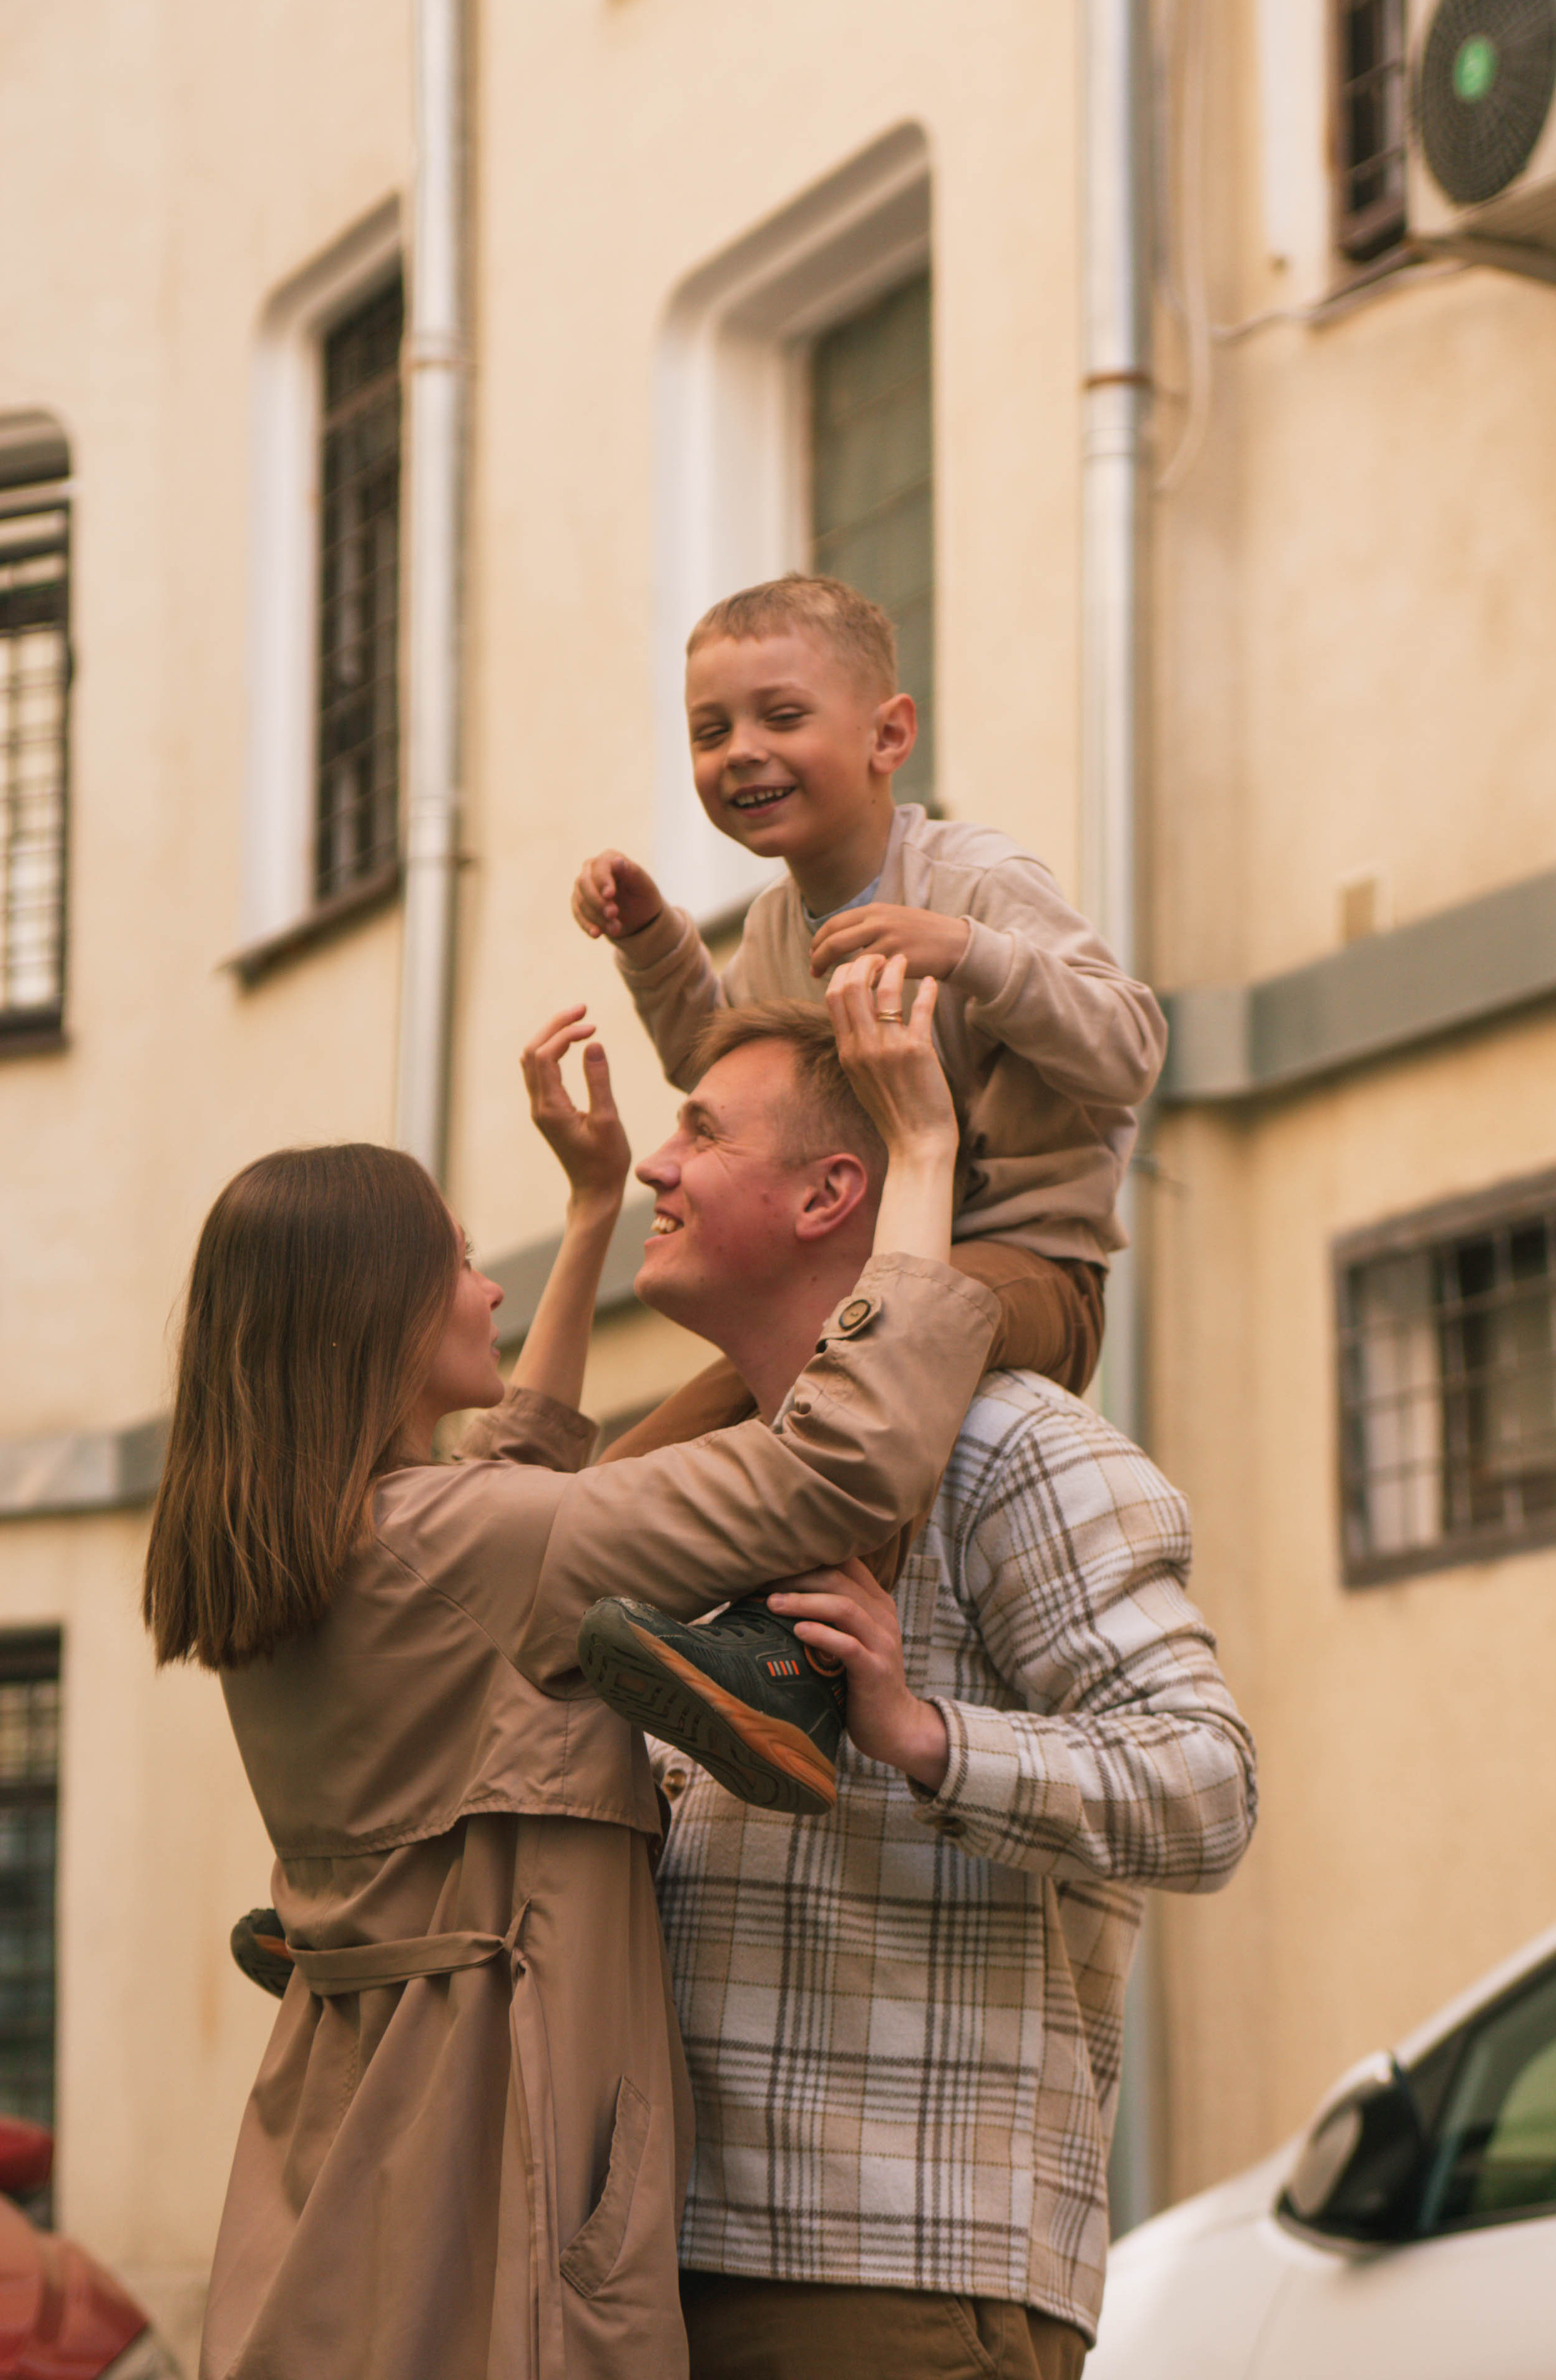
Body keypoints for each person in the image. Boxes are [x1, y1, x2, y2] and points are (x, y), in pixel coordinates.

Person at [146, 960, 998, 2380]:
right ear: (380, 1317)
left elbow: (516, 1470)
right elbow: (843, 1464)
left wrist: (593, 1206)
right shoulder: (463, 1549)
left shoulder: (311, 1551)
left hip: (350, 2136)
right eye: (462, 1264)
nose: (489, 1289)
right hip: (488, 2140)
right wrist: (921, 1151)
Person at [573, 1001, 1258, 2380]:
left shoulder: (1016, 1447)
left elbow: (1206, 1786)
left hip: (896, 2276)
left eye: (701, 1130)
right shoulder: (708, 1494)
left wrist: (920, 1733)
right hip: (663, 2267)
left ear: (832, 1193)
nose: (657, 1163)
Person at [570, 571, 1169, 1805]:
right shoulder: (781, 930)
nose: (741, 753)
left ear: (888, 735)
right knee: (616, 1482)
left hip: (1023, 1269)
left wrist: (972, 958)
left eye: (779, 718)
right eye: (708, 730)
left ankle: (790, 1666)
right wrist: (654, 944)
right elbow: (729, 1069)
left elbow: (1126, 1048)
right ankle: (492, 1713)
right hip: (868, 1295)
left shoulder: (974, 881)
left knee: (898, 1361)